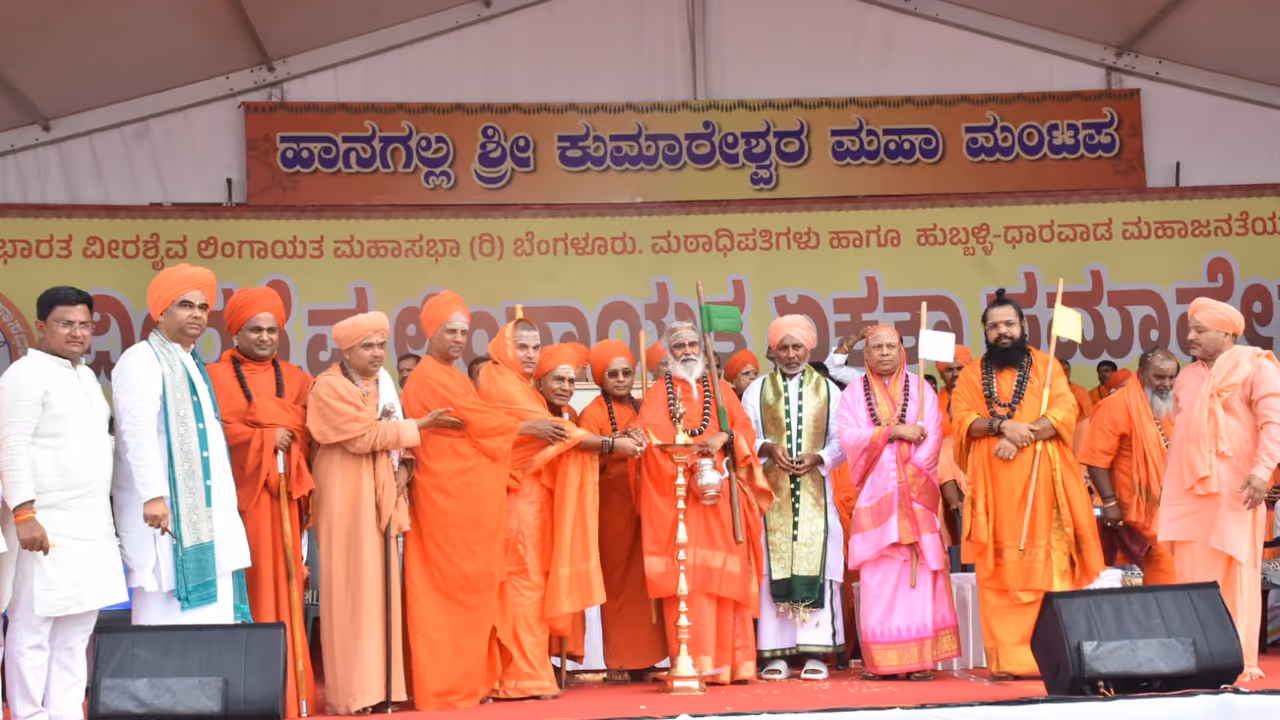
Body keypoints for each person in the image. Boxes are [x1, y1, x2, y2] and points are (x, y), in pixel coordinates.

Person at [951, 290, 1104, 679]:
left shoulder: (1047, 365)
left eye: (1008, 324)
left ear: (1023, 327)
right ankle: (1007, 662)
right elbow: (963, 421)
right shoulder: (971, 375)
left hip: (1044, 487)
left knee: (1049, 569)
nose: (1002, 331)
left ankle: (1052, 656)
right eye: (993, 326)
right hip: (994, 491)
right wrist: (1004, 425)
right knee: (998, 574)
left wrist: (1024, 435)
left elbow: (1063, 412)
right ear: (984, 332)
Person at [478, 321, 628, 699]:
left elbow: (555, 433)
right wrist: (611, 445)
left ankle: (522, 672)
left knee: (531, 585)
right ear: (505, 348)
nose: (529, 354)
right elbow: (562, 436)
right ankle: (522, 677)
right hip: (516, 503)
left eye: (534, 347)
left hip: (535, 504)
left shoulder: (519, 387)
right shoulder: (499, 382)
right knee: (521, 585)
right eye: (522, 347)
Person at [0, 286, 127, 720]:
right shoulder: (24, 375)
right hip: (44, 522)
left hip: (90, 523)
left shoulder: (86, 376)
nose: (76, 332)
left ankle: (67, 711)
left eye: (84, 324)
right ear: (41, 327)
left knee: (76, 630)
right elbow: (11, 446)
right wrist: (24, 513)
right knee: (33, 627)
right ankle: (30, 714)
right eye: (65, 323)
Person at [633, 322, 774, 684]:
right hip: (680, 499)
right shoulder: (657, 393)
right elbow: (649, 435)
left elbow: (746, 429)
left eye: (693, 343)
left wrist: (725, 437)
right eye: (679, 345)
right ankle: (694, 663)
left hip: (721, 497)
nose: (687, 351)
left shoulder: (722, 389)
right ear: (669, 352)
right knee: (690, 579)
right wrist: (691, 458)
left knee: (726, 577)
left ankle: (731, 665)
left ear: (704, 346)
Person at [401, 291, 522, 711]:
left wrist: (494, 431)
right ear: (430, 331)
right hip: (444, 504)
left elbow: (475, 427)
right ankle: (444, 688)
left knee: (470, 593)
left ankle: (469, 682)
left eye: (463, 332)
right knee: (445, 596)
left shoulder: (451, 374)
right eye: (449, 331)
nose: (457, 339)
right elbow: (481, 424)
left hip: (463, 504)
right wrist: (525, 427)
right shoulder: (429, 377)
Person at [112, 264, 252, 625]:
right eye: (185, 305)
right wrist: (153, 495)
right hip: (165, 514)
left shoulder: (191, 363)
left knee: (213, 623)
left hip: (206, 516)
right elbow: (136, 434)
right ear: (161, 312)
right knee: (164, 617)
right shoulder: (141, 359)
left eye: (203, 308)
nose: (197, 314)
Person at [306, 311, 431, 715]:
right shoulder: (327, 386)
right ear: (345, 349)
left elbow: (396, 445)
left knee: (383, 588)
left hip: (383, 488)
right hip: (343, 487)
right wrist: (419, 425)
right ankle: (353, 694)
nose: (377, 353)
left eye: (381, 345)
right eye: (367, 346)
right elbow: (361, 437)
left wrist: (402, 473)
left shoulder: (385, 384)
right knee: (349, 587)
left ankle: (386, 688)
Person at [206, 286, 316, 717]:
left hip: (283, 500)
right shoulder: (213, 376)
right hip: (239, 504)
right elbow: (213, 435)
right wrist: (266, 435)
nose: (265, 337)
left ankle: (290, 691)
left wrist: (287, 433)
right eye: (256, 329)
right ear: (236, 332)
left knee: (288, 588)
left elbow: (311, 430)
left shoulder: (297, 377)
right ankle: (247, 692)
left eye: (272, 329)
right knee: (246, 590)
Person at [1158, 298, 1280, 682]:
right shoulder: (1187, 377)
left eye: (1200, 330)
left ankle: (1239, 658)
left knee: (1237, 570)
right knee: (1193, 575)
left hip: (1238, 489)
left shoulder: (1257, 366)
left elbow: (1274, 424)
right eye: (1189, 329)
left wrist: (1262, 472)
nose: (1190, 337)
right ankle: (1198, 655)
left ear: (1226, 334)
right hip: (1190, 492)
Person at [838, 325, 959, 679]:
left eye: (891, 346)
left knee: (920, 578)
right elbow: (848, 436)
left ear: (902, 350)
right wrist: (893, 431)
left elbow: (934, 436)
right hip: (877, 498)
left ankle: (920, 660)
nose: (885, 352)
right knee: (879, 579)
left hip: (916, 497)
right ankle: (882, 662)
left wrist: (914, 476)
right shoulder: (854, 394)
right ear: (867, 353)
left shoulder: (921, 388)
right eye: (878, 347)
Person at [742, 316, 846, 681]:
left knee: (821, 565)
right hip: (773, 499)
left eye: (796, 347)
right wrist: (767, 447)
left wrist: (820, 458)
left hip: (817, 492)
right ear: (772, 351)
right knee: (773, 565)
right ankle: (777, 655)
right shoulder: (755, 391)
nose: (790, 355)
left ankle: (816, 653)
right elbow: (744, 436)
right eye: (783, 348)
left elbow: (840, 441)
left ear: (808, 349)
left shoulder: (831, 391)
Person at [577, 340, 666, 684]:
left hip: (644, 503)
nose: (620, 379)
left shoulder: (644, 406)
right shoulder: (593, 413)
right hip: (611, 509)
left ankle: (646, 657)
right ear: (601, 378)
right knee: (616, 585)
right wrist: (617, 440)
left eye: (626, 372)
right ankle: (618, 658)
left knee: (646, 583)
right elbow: (583, 458)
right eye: (612, 374)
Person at [1079, 348, 1179, 585]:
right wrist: (1110, 502)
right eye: (1159, 377)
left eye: (1171, 377)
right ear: (1142, 374)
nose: (1166, 383)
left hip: (1166, 508)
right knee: (1163, 565)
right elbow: (1096, 461)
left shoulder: (1168, 405)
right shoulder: (1115, 405)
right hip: (1132, 511)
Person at [935, 346, 974, 542]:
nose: (955, 374)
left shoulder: (980, 397)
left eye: (959, 368)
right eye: (949, 370)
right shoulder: (932, 403)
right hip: (943, 468)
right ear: (942, 373)